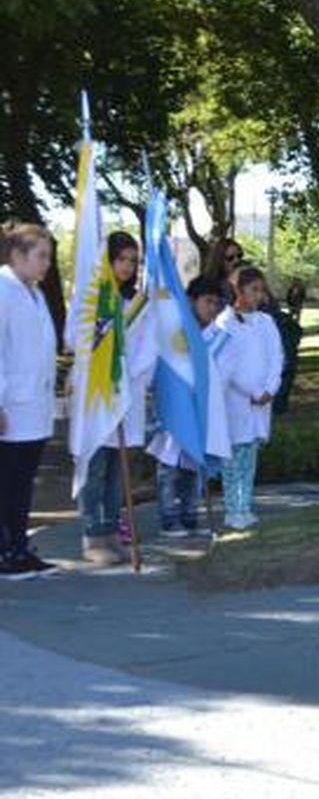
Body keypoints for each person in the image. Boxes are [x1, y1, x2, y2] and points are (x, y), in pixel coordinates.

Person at [76, 231, 157, 565]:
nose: (127, 266)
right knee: (95, 466)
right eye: (121, 259)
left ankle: (111, 530)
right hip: (98, 393)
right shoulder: (94, 299)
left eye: (133, 261)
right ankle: (93, 534)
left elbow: (149, 346)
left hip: (127, 390)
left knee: (114, 469)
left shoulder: (138, 302)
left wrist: (128, 372)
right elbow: (80, 341)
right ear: (108, 260)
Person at [0, 224, 60, 578]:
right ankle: (5, 550)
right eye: (41, 256)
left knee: (23, 482)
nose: (47, 264)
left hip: (34, 405)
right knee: (7, 481)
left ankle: (19, 546)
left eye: (49, 257)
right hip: (12, 406)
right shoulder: (3, 289)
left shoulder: (34, 293)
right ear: (18, 255)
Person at [147, 275, 224, 537]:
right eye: (207, 301)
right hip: (175, 404)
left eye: (217, 303)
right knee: (169, 466)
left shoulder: (216, 334)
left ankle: (190, 513)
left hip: (199, 407)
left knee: (192, 463)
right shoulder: (176, 329)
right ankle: (169, 517)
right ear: (191, 300)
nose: (212, 308)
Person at [213, 266, 284, 531]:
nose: (258, 295)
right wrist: (252, 392)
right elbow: (226, 368)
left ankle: (246, 505)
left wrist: (270, 388)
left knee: (250, 454)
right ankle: (233, 509)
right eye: (253, 289)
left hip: (262, 401)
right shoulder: (224, 323)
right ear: (238, 290)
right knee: (233, 457)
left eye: (261, 290)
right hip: (236, 400)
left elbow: (276, 357)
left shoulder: (266, 322)